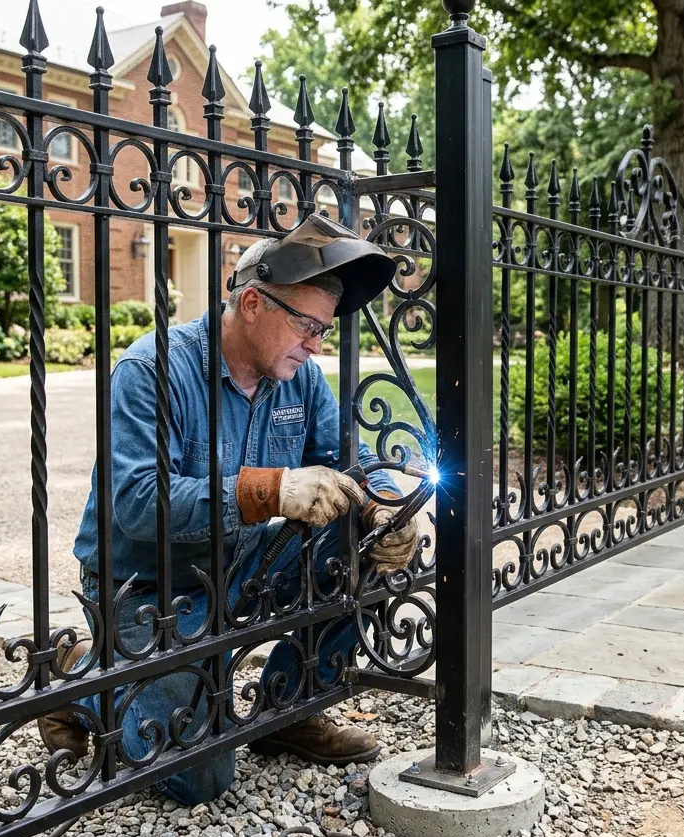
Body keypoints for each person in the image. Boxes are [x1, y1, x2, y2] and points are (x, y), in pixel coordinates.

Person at [39, 215, 421, 805]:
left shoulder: (299, 379)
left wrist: (386, 505)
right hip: (146, 588)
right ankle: (79, 673)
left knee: (361, 537)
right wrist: (269, 491)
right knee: (201, 779)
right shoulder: (152, 370)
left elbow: (349, 459)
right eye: (307, 326)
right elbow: (137, 503)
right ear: (251, 303)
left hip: (239, 564)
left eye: (323, 329)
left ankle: (290, 708)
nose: (317, 345)